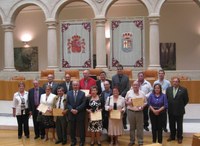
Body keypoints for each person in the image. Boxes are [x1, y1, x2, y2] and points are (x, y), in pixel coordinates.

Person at [166, 77, 189, 144]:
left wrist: (181, 106)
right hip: (171, 110)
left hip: (179, 111)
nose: (175, 83)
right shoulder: (168, 89)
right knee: (171, 124)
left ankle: (179, 137)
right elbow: (167, 99)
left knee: (179, 125)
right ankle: (172, 136)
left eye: (176, 81)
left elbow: (186, 100)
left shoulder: (183, 89)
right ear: (172, 82)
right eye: (173, 81)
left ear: (179, 82)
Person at [125, 81, 147, 146]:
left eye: (137, 85)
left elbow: (145, 102)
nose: (135, 86)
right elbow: (125, 101)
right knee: (132, 127)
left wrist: (143, 106)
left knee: (140, 127)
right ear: (132, 85)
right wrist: (128, 103)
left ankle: (140, 141)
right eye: (134, 85)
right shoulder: (129, 92)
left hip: (139, 112)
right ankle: (132, 141)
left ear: (139, 85)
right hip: (130, 112)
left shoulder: (142, 93)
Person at [67, 81, 86, 146]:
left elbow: (84, 103)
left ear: (79, 86)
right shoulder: (68, 93)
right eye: (74, 85)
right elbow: (67, 103)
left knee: (81, 128)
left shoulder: (82, 93)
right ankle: (73, 141)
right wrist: (71, 109)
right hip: (71, 113)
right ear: (72, 86)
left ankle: (82, 141)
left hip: (80, 113)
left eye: (76, 85)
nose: (75, 86)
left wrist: (77, 109)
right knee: (72, 128)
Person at [112, 65, 129, 129]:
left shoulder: (126, 77)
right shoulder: (113, 77)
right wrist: (117, 94)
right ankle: (117, 122)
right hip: (116, 96)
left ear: (122, 70)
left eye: (120, 69)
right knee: (116, 109)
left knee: (124, 110)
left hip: (123, 96)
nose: (119, 70)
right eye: (118, 69)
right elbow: (113, 87)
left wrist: (121, 94)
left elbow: (127, 88)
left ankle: (124, 124)